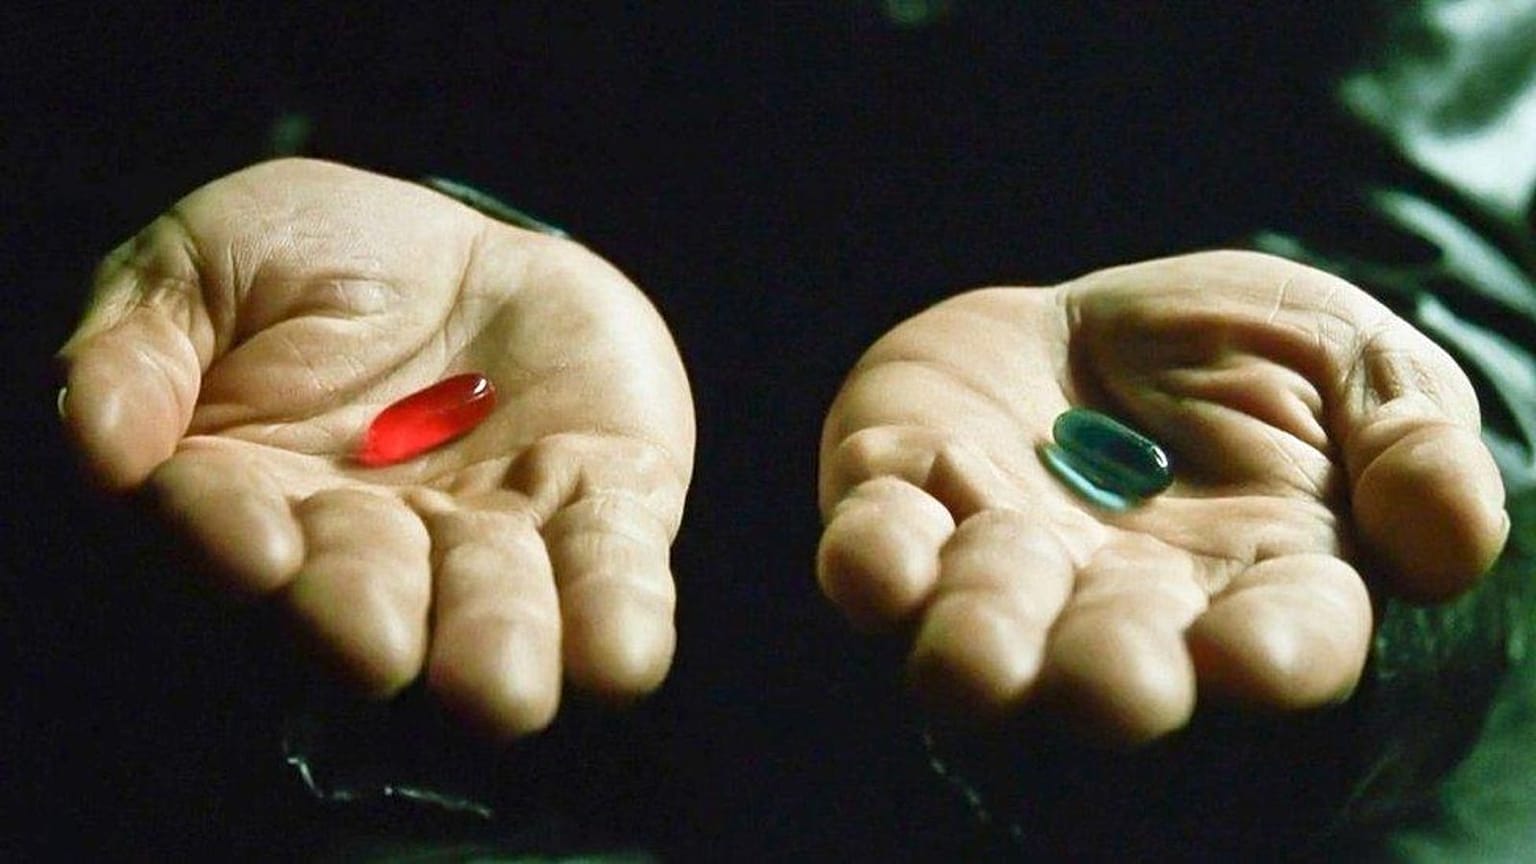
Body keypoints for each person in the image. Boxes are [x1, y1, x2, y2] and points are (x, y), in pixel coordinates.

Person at [19, 2, 1536, 860]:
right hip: (450, 664)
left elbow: (1448, 266)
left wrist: (1372, 531)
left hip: (1071, 753)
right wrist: (189, 260)